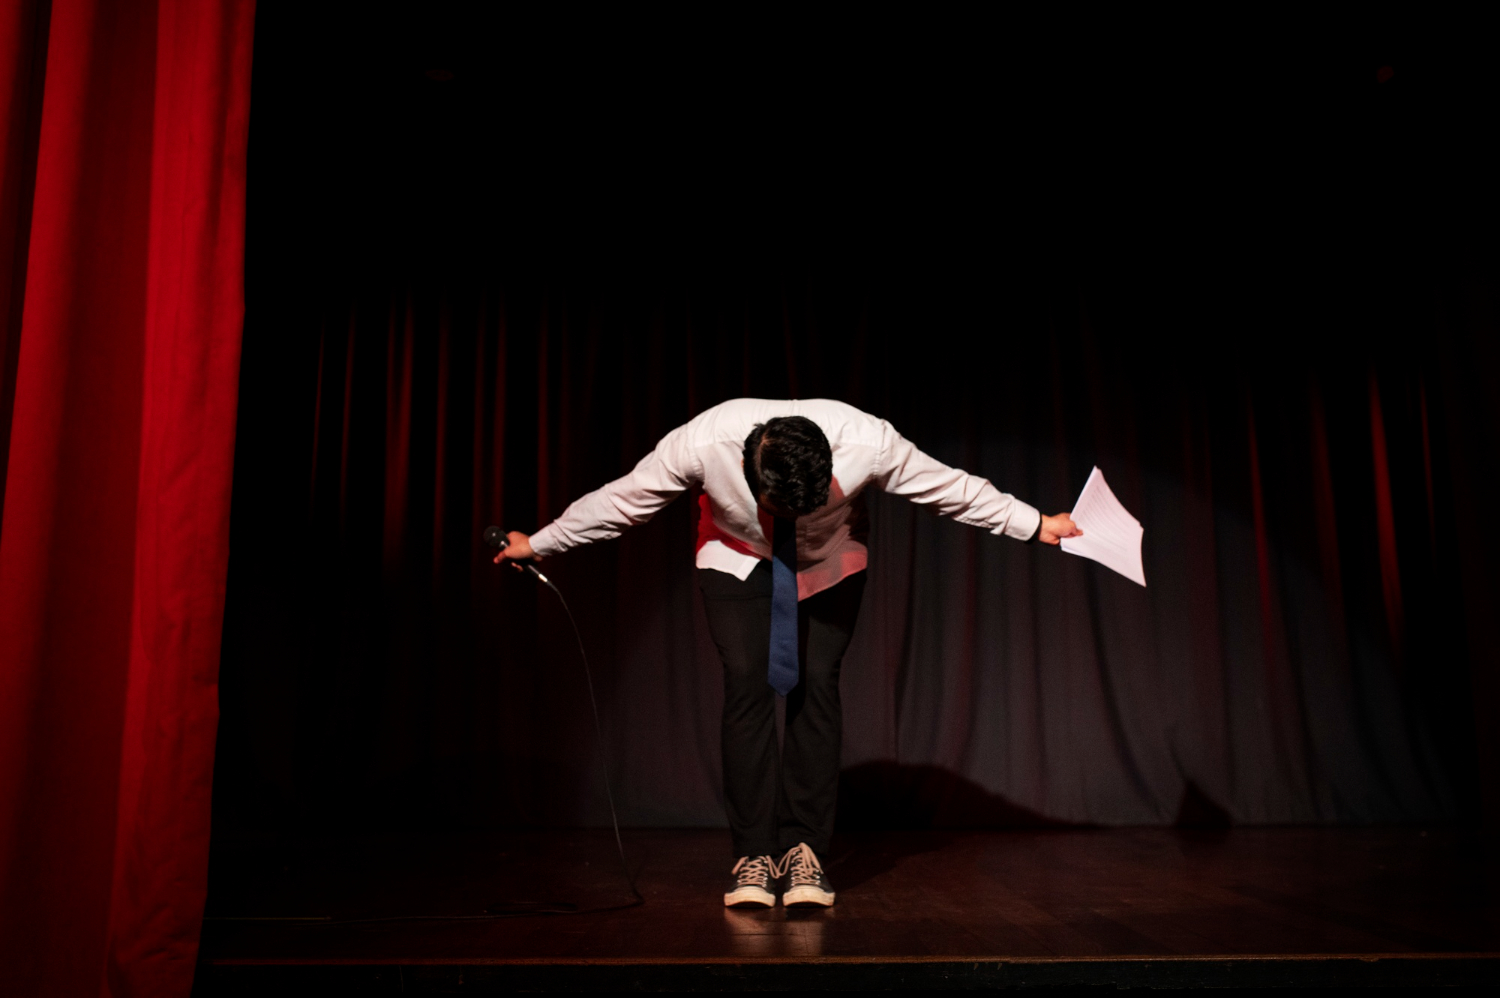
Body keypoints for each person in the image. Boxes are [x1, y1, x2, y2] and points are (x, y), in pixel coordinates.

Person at [494, 398, 1080, 907]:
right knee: (746, 681)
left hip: (831, 556)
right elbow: (625, 499)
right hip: (737, 555)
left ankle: (805, 852)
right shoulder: (701, 443)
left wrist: (1035, 523)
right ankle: (753, 854)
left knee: (816, 682)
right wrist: (542, 542)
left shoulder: (869, 443)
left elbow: (948, 488)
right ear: (747, 471)